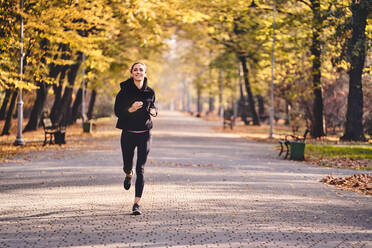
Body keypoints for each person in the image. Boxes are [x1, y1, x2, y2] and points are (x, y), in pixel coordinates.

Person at [114, 62, 157, 215]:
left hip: (145, 133)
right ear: (131, 73)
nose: (138, 72)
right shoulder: (124, 91)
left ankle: (136, 204)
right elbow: (117, 111)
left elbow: (153, 106)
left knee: (141, 168)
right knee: (128, 164)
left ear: (145, 73)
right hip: (128, 133)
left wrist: (153, 111)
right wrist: (130, 109)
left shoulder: (150, 92)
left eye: (141, 70)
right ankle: (127, 174)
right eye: (135, 70)